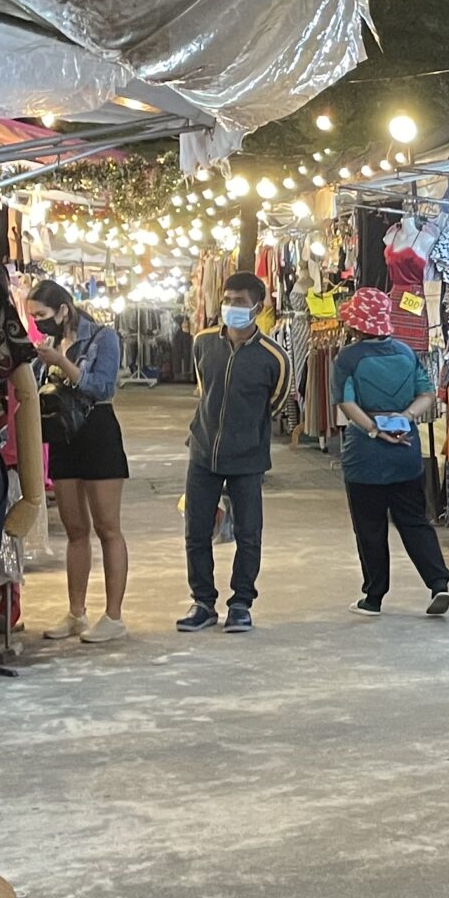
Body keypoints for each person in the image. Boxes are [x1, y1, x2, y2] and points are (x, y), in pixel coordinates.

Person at [182, 271, 292, 634]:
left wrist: (247, 430)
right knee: (196, 530)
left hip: (248, 457)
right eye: (228, 300)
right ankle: (202, 602)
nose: (231, 307)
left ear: (258, 307)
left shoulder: (274, 357)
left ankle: (241, 603)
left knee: (249, 533)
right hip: (203, 451)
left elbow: (276, 401)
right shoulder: (203, 342)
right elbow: (205, 388)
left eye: (240, 302)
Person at [336, 286, 449, 616]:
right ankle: (438, 583)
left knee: (369, 527)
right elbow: (427, 394)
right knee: (415, 521)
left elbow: (346, 402)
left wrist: (374, 429)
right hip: (406, 449)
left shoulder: (348, 358)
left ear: (355, 324)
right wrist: (405, 418)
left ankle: (374, 597)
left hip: (364, 455)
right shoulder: (405, 352)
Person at [30, 280, 131, 643]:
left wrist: (61, 363)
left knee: (107, 527)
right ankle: (76, 612)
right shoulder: (49, 343)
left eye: (41, 314)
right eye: (32, 316)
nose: (38, 322)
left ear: (63, 310)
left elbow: (103, 387)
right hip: (62, 434)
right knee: (75, 529)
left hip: (97, 430)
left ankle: (114, 616)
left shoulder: (103, 337)